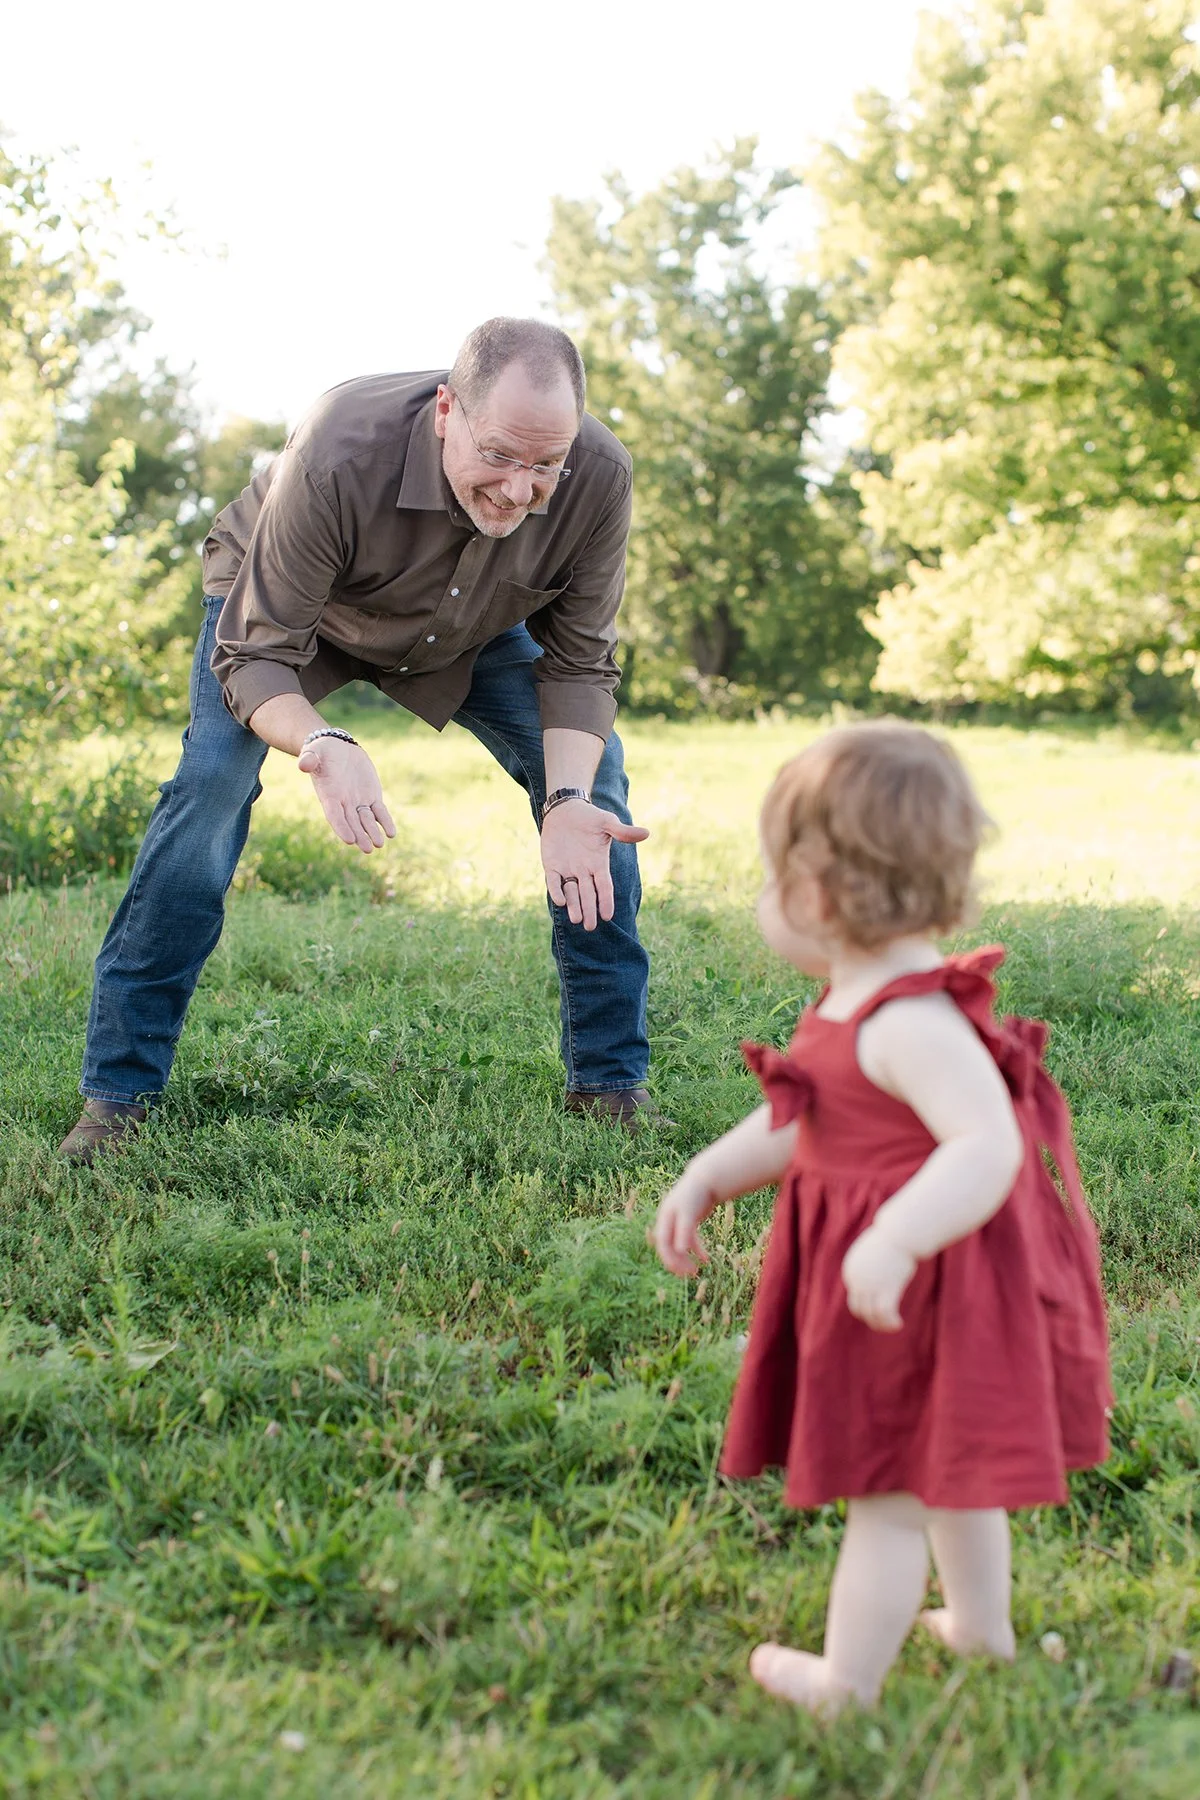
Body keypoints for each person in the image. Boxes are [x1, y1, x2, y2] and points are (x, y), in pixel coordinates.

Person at [61, 318, 657, 1164]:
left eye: (544, 465)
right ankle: (117, 1097)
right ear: (447, 409)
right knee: (209, 791)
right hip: (289, 619)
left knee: (596, 807)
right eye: (500, 456)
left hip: (472, 628)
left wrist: (567, 800)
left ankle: (609, 1085)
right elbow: (258, 651)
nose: (521, 489)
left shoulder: (599, 477)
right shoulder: (340, 443)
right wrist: (322, 741)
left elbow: (580, 663)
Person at [652, 721, 1111, 1715]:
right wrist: (708, 1176)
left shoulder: (910, 1021)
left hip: (922, 1283)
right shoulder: (853, 1002)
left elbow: (986, 1145)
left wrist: (897, 1238)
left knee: (890, 1490)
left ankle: (845, 1681)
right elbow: (802, 1120)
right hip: (908, 1271)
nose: (764, 896)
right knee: (949, 1469)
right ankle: (982, 1631)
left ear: (823, 894)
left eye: (772, 876)